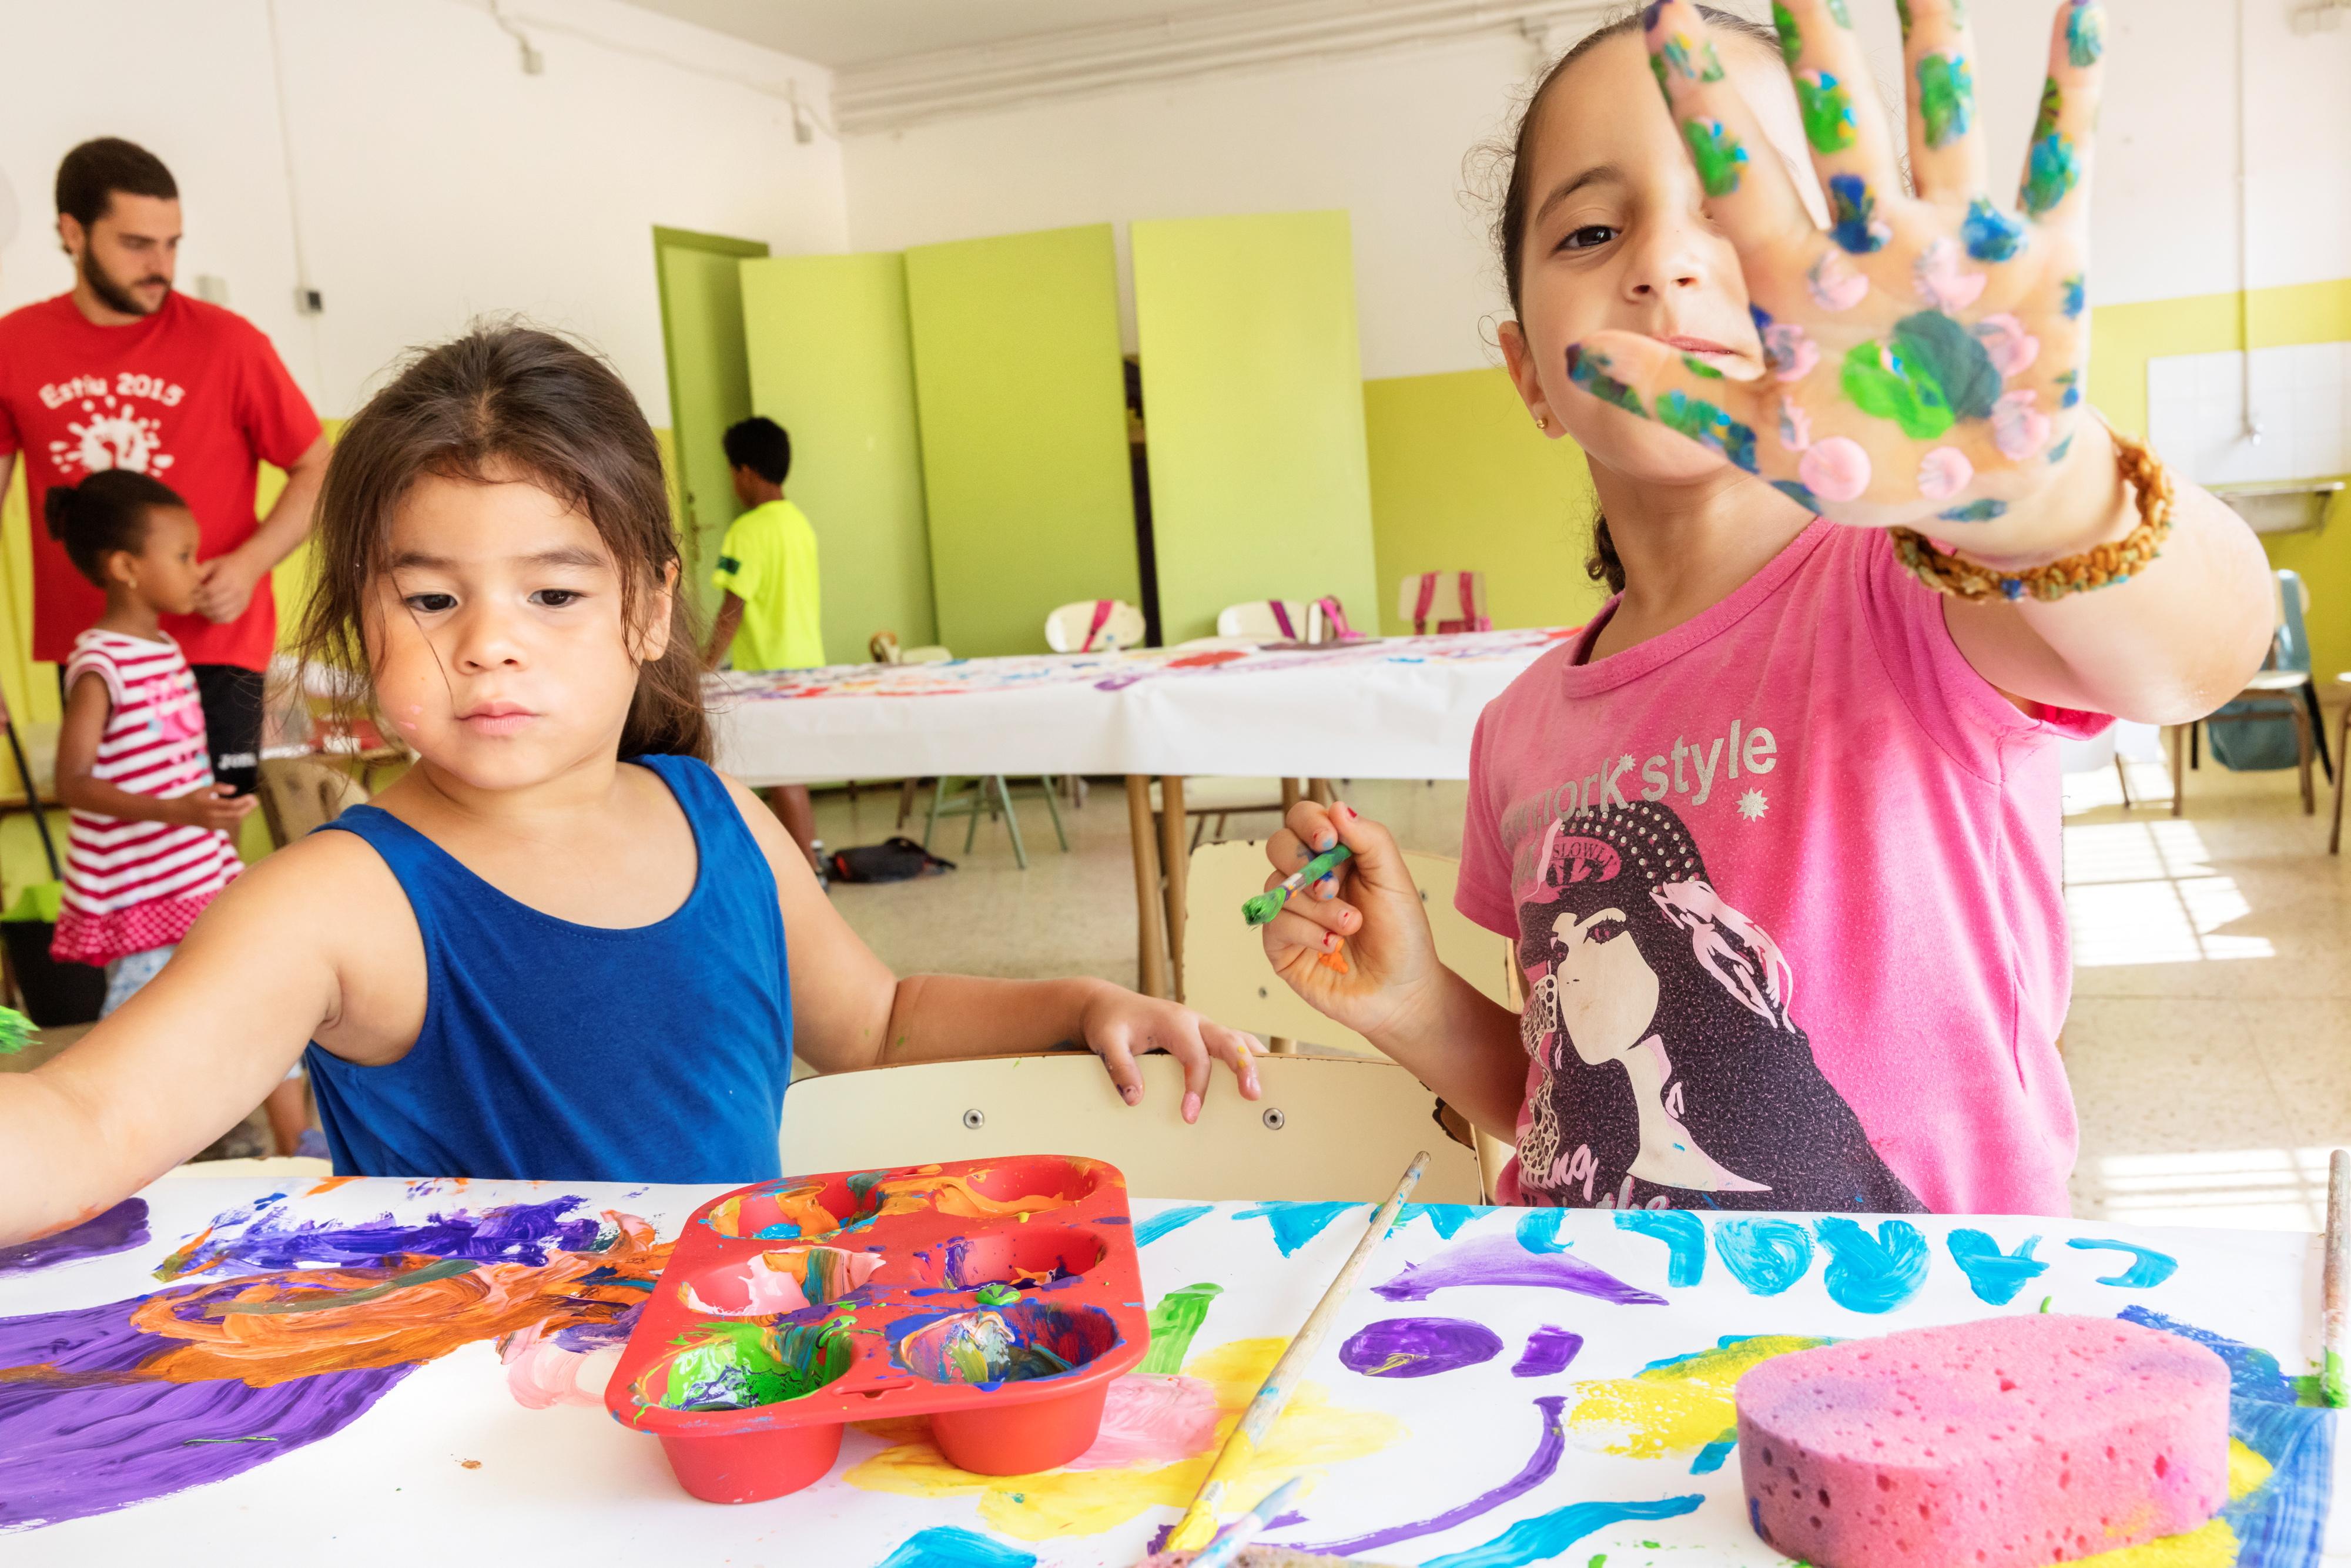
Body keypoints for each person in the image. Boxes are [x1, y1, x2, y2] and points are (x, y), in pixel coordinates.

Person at [1258, 0, 2272, 1216]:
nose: (1662, 261)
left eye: (1741, 217)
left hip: (1921, 1359)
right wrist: (1411, 1000)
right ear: (1529, 372)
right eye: (1588, 229)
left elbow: (2201, 656)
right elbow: (1567, 1092)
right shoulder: (1519, 728)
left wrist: (2043, 493)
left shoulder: (1921, 586)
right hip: (1616, 1358)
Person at [0, 326, 1261, 1245]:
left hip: (745, 1382)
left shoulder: (719, 819)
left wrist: (1080, 997)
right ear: (358, 618)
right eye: (431, 596)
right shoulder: (333, 902)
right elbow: (86, 1123)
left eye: (553, 593)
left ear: (650, 603)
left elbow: (877, 1021)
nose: (488, 640)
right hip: (491, 1430)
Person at [0, 137, 329, 798]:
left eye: (172, 243)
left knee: (213, 835)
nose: (162, 266)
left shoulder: (229, 343)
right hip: (96, 649)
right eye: (137, 244)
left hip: (217, 638)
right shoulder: (14, 346)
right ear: (73, 232)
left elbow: (317, 465)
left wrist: (250, 562)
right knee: (122, 841)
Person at [41, 470, 306, 1155]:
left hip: (201, 872)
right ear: (127, 568)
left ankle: (298, 1148)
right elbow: (72, 782)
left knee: (265, 999)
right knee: (143, 1031)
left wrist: (207, 808)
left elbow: (176, 765)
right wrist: (181, 810)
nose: (199, 569)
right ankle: (117, 1160)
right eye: (183, 555)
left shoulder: (165, 651)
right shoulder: (102, 662)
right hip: (144, 890)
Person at [702, 415, 822, 870]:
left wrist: (705, 663)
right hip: (809, 664)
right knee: (790, 771)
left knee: (781, 771)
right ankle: (810, 859)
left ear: (746, 472)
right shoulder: (799, 524)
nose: (733, 483)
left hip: (768, 672)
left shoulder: (747, 531)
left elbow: (733, 608)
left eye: (732, 473)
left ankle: (806, 871)